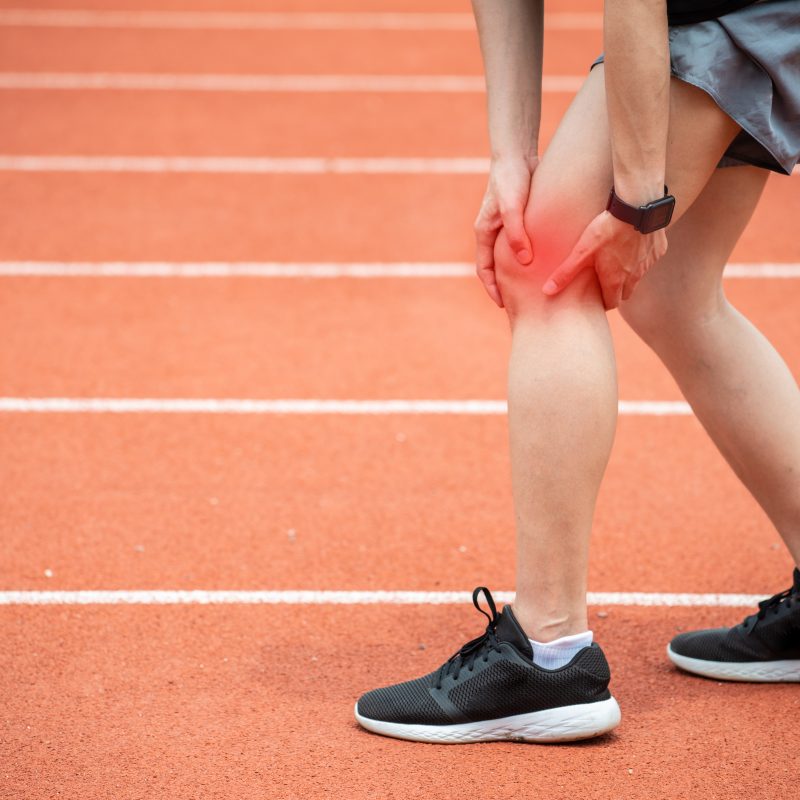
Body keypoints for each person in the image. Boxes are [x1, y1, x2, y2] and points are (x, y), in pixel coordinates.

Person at [354, 0, 800, 743]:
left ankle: (548, 651)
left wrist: (637, 201)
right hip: (735, 10)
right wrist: (510, 157)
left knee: (546, 266)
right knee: (674, 293)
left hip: (728, 9)